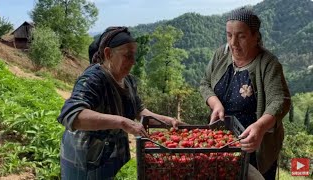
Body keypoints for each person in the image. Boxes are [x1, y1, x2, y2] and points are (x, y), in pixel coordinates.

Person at [58, 26, 182, 180]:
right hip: (83, 159)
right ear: (108, 53)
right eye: (127, 56)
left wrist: (167, 121)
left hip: (108, 156)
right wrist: (122, 122)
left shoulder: (128, 80)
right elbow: (73, 115)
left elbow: (140, 111)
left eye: (134, 55)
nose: (133, 62)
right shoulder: (93, 79)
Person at [200, 7, 291, 180]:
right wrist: (215, 104)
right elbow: (205, 83)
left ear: (255, 37)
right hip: (221, 141)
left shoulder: (268, 64)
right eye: (229, 35)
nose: (233, 42)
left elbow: (280, 100)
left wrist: (261, 126)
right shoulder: (221, 54)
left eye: (241, 36)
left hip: (254, 145)